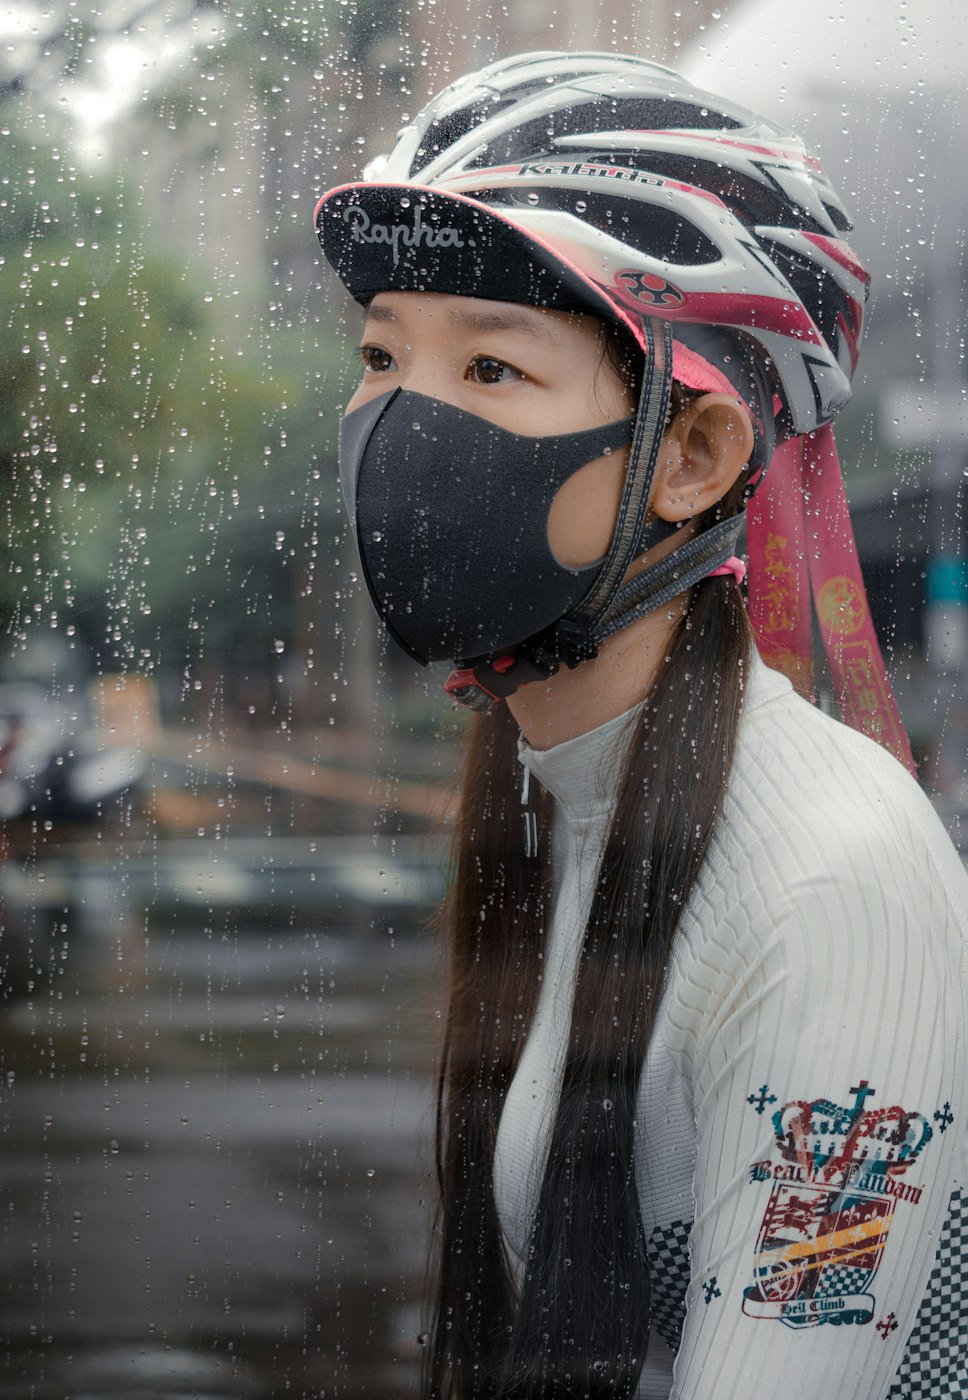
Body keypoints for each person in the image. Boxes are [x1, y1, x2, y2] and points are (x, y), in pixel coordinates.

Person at [315, 52, 968, 1400]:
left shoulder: (835, 879)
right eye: (383, 354)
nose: (396, 423)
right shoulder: (562, 788)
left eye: (491, 367)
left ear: (694, 459)